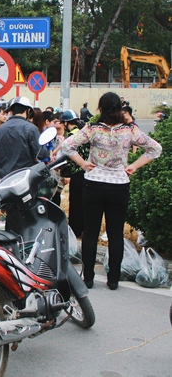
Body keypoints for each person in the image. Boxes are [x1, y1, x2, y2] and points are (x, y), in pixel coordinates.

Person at [62, 92, 162, 290]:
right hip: (119, 184)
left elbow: (67, 145)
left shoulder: (93, 129)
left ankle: (88, 278)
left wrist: (83, 163)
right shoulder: (130, 131)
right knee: (115, 233)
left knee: (90, 233)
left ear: (100, 108)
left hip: (94, 183)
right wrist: (134, 166)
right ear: (120, 109)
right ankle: (113, 280)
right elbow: (155, 149)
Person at [0, 96, 40, 184]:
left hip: (5, 179)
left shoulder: (0, 129)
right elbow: (41, 153)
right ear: (28, 111)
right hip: (26, 180)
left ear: (11, 111)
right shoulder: (31, 128)